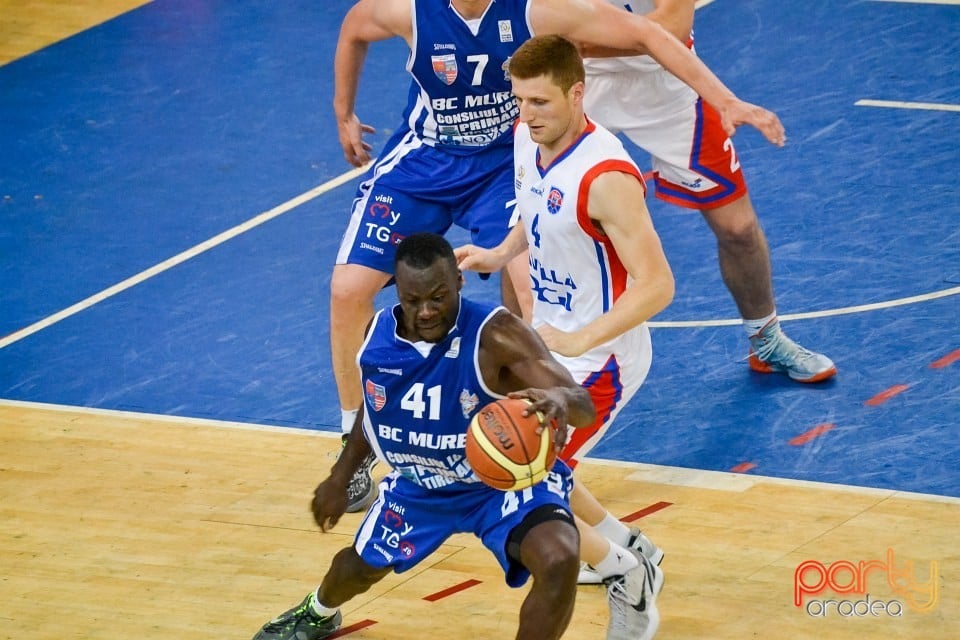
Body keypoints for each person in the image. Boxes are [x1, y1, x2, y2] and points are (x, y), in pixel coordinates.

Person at [329, 0, 791, 512]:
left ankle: (537, 421)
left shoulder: (537, 17)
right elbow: (353, 28)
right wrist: (343, 111)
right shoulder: (409, 11)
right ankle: (353, 444)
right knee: (347, 291)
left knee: (529, 287)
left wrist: (725, 99)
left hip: (504, 161)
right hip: (426, 159)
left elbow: (651, 32)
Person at [250, 233, 659, 640]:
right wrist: (341, 476)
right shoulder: (377, 341)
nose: (426, 311)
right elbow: (372, 414)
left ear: (459, 283)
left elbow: (581, 403)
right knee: (355, 569)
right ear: (396, 290)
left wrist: (559, 397)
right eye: (413, 301)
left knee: (559, 556)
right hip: (422, 487)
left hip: (498, 486)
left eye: (439, 297)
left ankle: (625, 571)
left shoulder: (496, 334)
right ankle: (319, 611)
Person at [455, 35, 672, 634]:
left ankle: (627, 577)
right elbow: (532, 208)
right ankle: (631, 546)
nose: (525, 114)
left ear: (578, 93)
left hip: (602, 358)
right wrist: (500, 252)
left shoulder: (606, 177)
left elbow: (658, 285)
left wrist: (581, 341)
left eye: (540, 102)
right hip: (547, 346)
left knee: (521, 482)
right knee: (532, 465)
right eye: (519, 100)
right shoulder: (531, 138)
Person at [579, 0, 836, 383]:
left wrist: (584, 40)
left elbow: (674, 24)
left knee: (738, 229)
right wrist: (583, 44)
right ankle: (526, 361)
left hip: (668, 81)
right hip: (579, 85)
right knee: (532, 224)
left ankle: (767, 342)